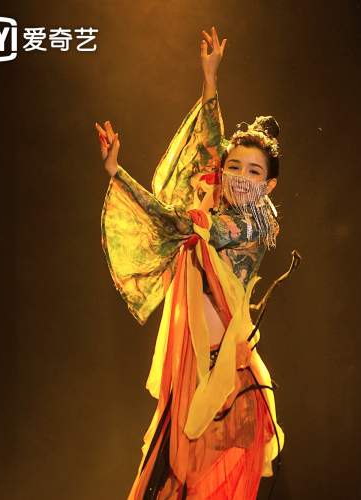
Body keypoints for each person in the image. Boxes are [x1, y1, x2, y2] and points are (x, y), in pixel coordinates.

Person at [95, 26, 284, 500]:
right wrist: (210, 80)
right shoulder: (220, 205)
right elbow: (212, 143)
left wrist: (120, 175)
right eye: (234, 167)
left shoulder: (249, 224)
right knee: (166, 485)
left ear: (269, 186)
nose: (239, 177)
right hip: (195, 373)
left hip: (225, 385)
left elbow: (181, 224)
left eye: (254, 171)